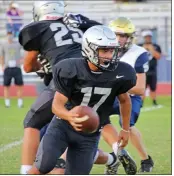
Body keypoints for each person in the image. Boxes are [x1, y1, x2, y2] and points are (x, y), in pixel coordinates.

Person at [27, 25, 137, 175]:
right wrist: (69, 116)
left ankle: (111, 161)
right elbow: (57, 105)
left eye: (112, 50)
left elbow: (125, 101)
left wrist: (125, 129)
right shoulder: (71, 68)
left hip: (90, 134)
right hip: (62, 127)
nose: (109, 56)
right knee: (43, 167)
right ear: (89, 49)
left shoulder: (122, 72)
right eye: (104, 50)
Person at [18, 1, 102, 174]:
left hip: (67, 74)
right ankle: (104, 156)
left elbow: (27, 66)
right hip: (94, 77)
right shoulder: (79, 26)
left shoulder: (41, 28)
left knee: (32, 121)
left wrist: (44, 65)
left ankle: (26, 170)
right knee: (75, 122)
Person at [96, 17, 154, 173]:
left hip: (131, 95)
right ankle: (118, 152)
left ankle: (145, 159)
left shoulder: (139, 53)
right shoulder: (102, 49)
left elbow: (140, 88)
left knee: (127, 124)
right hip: (110, 94)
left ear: (130, 37)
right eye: (117, 34)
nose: (120, 39)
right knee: (97, 118)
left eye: (124, 35)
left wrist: (114, 85)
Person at [0, 31, 24, 108]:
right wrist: (2, 65)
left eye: (11, 35)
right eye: (8, 36)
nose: (10, 37)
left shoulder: (17, 44)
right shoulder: (3, 45)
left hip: (17, 67)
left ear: (13, 36)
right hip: (7, 67)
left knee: (19, 86)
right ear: (6, 36)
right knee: (6, 86)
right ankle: (7, 104)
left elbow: (25, 50)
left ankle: (20, 103)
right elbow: (2, 56)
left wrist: (22, 60)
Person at [140, 30, 162, 106]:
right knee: (142, 88)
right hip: (142, 70)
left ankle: (154, 102)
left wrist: (151, 49)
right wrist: (144, 48)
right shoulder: (140, 46)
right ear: (144, 38)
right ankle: (141, 102)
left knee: (153, 87)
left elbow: (158, 56)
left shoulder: (156, 46)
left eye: (149, 37)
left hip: (152, 70)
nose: (148, 38)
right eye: (146, 37)